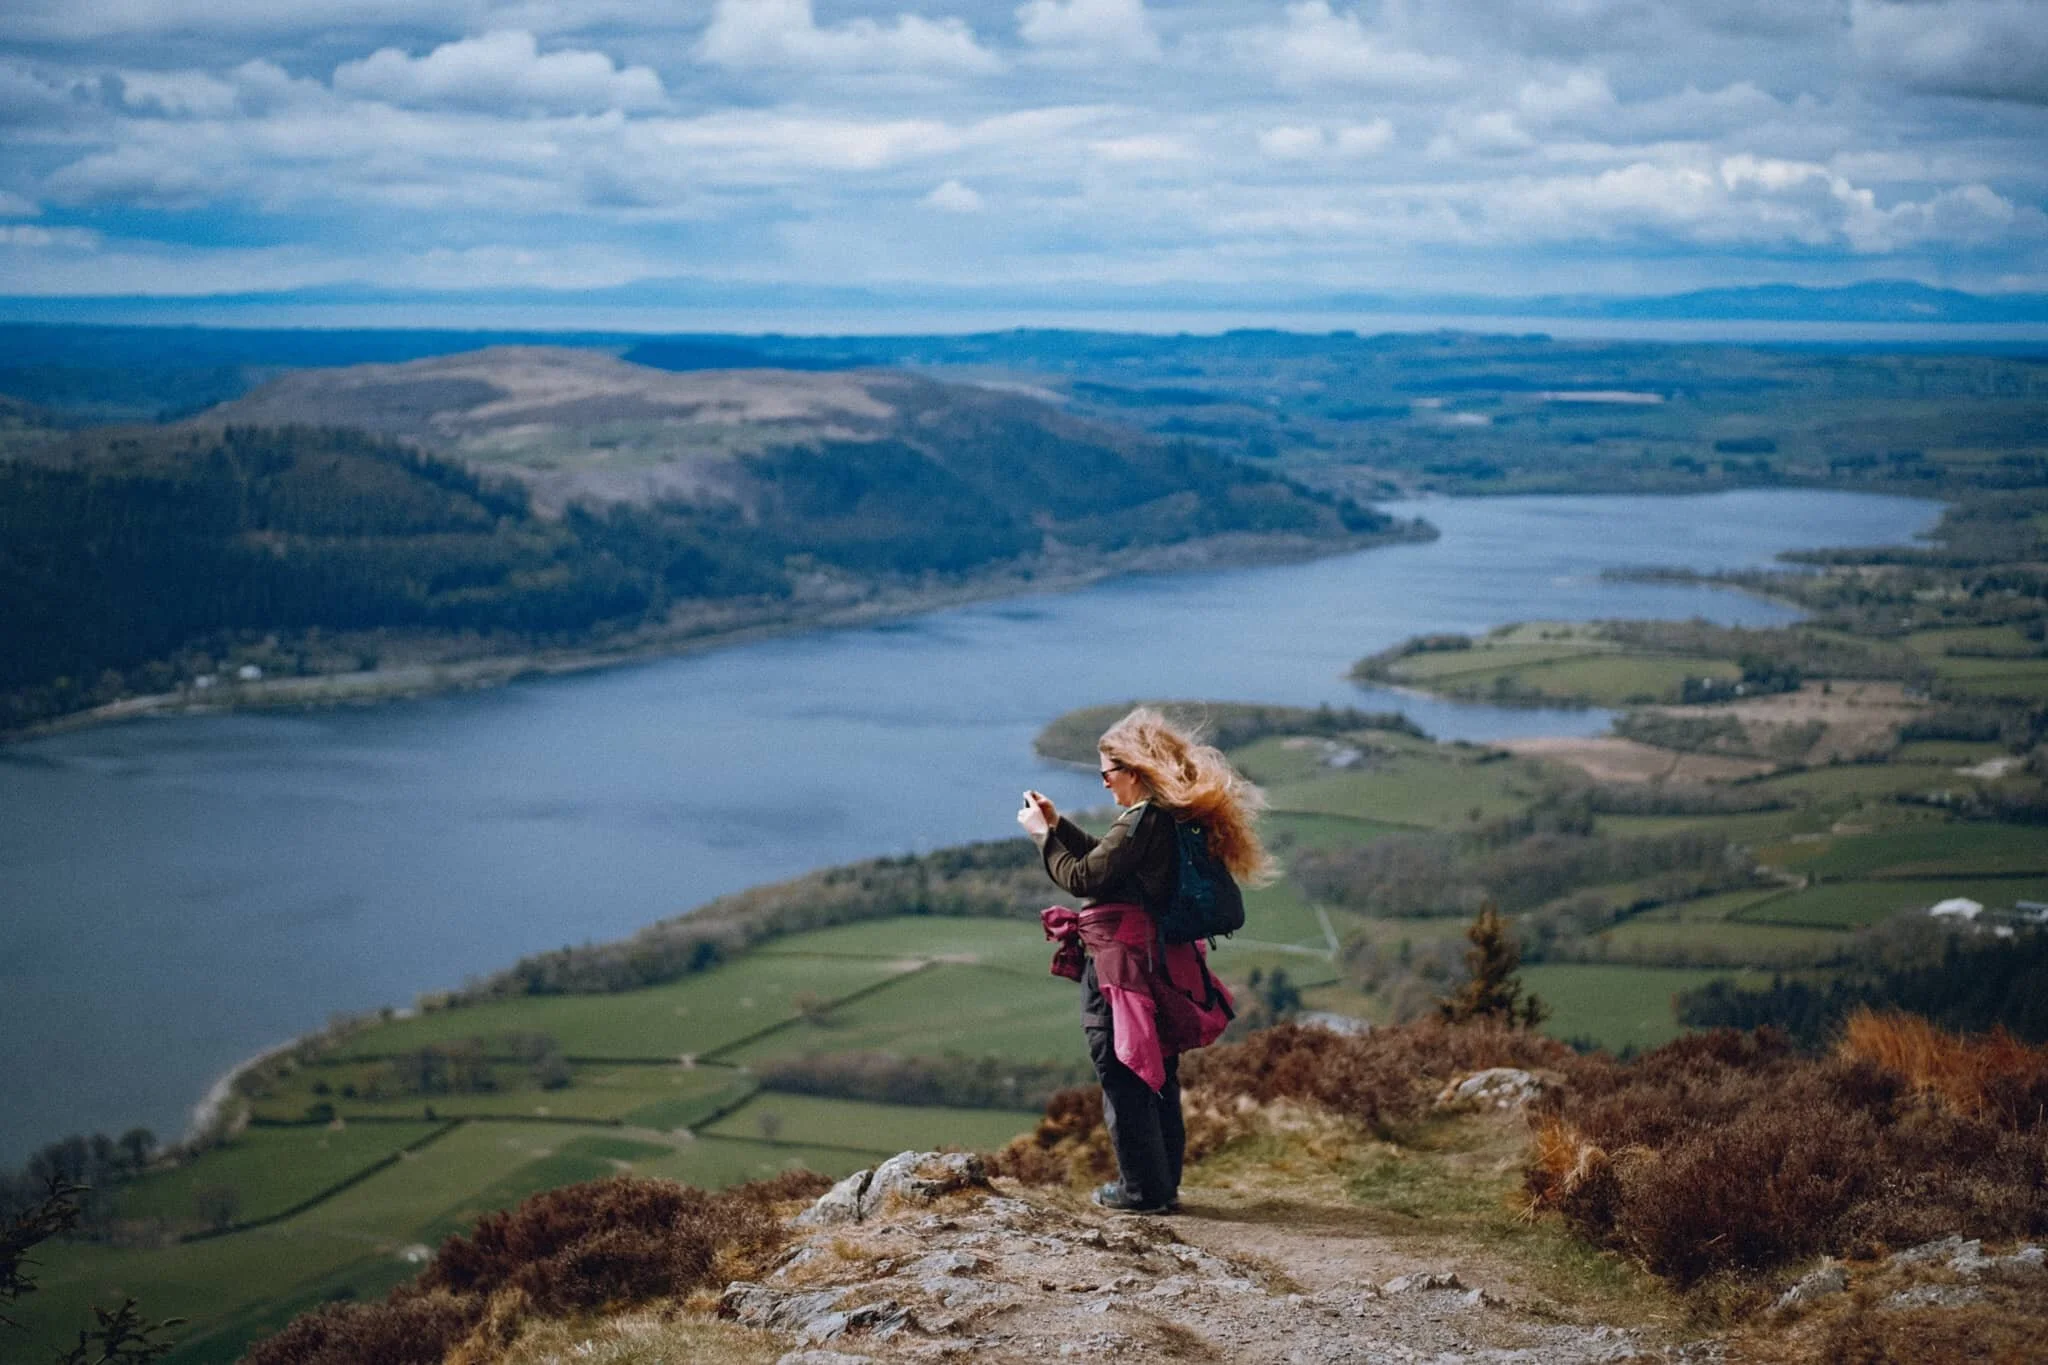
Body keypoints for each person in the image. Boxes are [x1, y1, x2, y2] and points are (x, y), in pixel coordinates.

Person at [1017, 706, 1271, 1213]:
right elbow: (1104, 864)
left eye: (1108, 773)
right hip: (1158, 959)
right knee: (1157, 1070)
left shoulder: (1144, 819)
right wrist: (1059, 825)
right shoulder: (1166, 818)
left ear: (1134, 770)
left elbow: (1085, 880)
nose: (1105, 784)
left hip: (1123, 965)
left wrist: (1042, 839)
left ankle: (1142, 1191)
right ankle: (1160, 1186)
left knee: (1123, 1068)